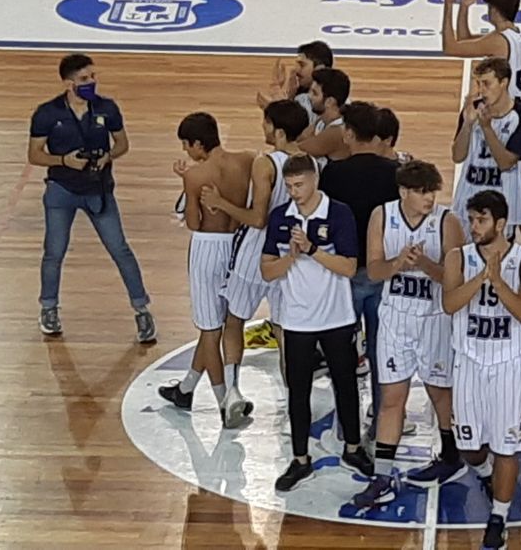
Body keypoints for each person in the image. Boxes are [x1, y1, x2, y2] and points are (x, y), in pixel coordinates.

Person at [348, 161, 468, 509]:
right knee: (391, 398)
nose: (430, 198)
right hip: (396, 317)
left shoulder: (448, 221)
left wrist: (426, 265)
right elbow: (373, 270)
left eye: (433, 190)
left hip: (433, 318)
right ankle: (383, 477)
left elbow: (454, 280)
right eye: (422, 191)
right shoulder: (381, 216)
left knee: (440, 394)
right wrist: (399, 262)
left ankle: (450, 456)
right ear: (404, 192)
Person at [260, 154, 374, 491]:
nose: (294, 192)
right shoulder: (280, 217)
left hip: (336, 316)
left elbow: (350, 267)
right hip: (296, 319)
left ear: (315, 180)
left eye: (299, 185)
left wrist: (311, 250)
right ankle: (299, 459)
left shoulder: (338, 213)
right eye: (289, 186)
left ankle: (353, 448)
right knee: (298, 390)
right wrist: (290, 258)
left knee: (346, 383)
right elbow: (267, 270)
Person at [26, 54, 154, 342]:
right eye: (85, 79)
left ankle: (142, 309)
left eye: (93, 77)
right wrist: (63, 160)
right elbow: (34, 155)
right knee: (54, 252)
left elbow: (122, 144)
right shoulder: (47, 113)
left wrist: (108, 156)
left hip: (99, 190)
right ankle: (49, 308)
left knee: (120, 249)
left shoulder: (107, 108)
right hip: (62, 191)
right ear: (69, 83)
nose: (92, 83)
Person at [442, 191, 521, 550]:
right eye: (471, 219)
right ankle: (484, 475)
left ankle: (498, 516)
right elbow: (450, 304)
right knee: (471, 448)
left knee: (507, 448)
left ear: (500, 224)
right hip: (468, 361)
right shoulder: (458, 258)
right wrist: (481, 277)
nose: (474, 226)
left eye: (481, 220)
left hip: (509, 362)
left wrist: (498, 282)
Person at [158, 113, 256, 427]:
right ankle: (186, 389)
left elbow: (193, 222)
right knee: (228, 322)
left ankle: (224, 401)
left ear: (198, 143)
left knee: (209, 330)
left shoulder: (196, 175)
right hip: (238, 245)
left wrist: (188, 182)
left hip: (206, 248)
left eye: (187, 146)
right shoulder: (247, 160)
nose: (186, 152)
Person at [196, 99, 304, 383]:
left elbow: (258, 219)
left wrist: (221, 203)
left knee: (234, 320)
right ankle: (294, 394)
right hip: (291, 254)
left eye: (266, 123)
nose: (263, 127)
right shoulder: (312, 164)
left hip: (256, 253)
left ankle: (232, 391)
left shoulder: (265, 163)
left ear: (278, 131)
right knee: (284, 328)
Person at [318, 102, 401, 431]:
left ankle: (345, 422)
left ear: (349, 134)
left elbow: (324, 225)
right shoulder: (396, 173)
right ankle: (383, 419)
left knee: (342, 356)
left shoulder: (334, 173)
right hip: (383, 274)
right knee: (384, 355)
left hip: (344, 276)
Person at [440, 0, 521, 236]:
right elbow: (465, 40)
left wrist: (449, 5)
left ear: (494, 9)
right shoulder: (515, 35)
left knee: (515, 190)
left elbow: (451, 46)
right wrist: (465, 7)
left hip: (510, 118)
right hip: (518, 111)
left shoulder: (498, 42)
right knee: (520, 193)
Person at [451, 57, 521, 239]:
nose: (481, 90)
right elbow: (458, 156)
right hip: (469, 198)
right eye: (478, 83)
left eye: (487, 84)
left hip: (503, 202)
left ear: (503, 83)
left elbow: (506, 163)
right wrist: (467, 124)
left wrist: (486, 128)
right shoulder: (472, 111)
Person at [257, 41, 334, 126]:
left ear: (319, 69)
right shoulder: (302, 95)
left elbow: (293, 130)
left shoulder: (325, 99)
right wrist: (290, 96)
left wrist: (273, 104)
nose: (297, 70)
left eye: (302, 65)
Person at [298, 67, 352, 167]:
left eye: (315, 93)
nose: (309, 96)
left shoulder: (337, 131)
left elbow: (295, 150)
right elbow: (299, 138)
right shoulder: (322, 120)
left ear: (329, 101)